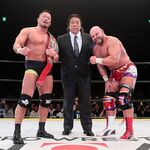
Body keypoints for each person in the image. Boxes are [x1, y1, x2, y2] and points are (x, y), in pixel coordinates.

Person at [12, 10, 59, 144]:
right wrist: (20, 50)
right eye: (44, 17)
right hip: (32, 66)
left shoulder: (52, 38)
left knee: (46, 101)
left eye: (48, 18)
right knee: (25, 100)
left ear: (50, 22)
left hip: (46, 68)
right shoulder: (28, 31)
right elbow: (16, 44)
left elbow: (56, 58)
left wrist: (54, 55)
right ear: (38, 18)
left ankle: (41, 129)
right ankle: (16, 132)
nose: (46, 19)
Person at [89, 26, 137, 139]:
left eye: (97, 34)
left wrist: (96, 59)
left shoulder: (113, 41)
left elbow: (114, 59)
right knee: (107, 99)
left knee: (123, 98)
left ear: (102, 31)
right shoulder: (95, 49)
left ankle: (130, 131)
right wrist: (106, 80)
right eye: (93, 36)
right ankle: (111, 128)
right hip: (114, 73)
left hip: (127, 69)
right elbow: (100, 67)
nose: (96, 37)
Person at [57, 14, 94, 136]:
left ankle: (87, 128)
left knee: (85, 102)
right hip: (68, 75)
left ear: (80, 25)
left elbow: (94, 54)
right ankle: (67, 127)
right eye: (72, 22)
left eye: (77, 22)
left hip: (84, 75)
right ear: (68, 25)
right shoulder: (61, 39)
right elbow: (57, 56)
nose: (74, 24)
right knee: (68, 102)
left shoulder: (88, 38)